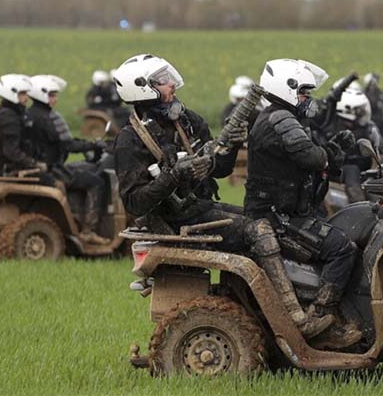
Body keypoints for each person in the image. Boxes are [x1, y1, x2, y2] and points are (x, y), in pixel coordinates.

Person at [111, 53, 334, 340]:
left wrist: (231, 145)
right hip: (169, 220)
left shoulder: (189, 121)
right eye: (162, 82)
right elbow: (134, 202)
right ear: (141, 88)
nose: (171, 85)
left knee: (263, 220)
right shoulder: (129, 140)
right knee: (259, 230)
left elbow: (220, 170)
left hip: (199, 209)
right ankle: (295, 318)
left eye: (167, 79)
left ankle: (268, 308)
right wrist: (175, 175)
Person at [244, 58, 362, 349]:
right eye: (304, 92)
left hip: (288, 212)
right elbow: (312, 158)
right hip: (275, 218)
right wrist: (332, 151)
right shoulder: (280, 118)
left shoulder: (283, 117)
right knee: (342, 248)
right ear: (287, 89)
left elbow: (312, 160)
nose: (308, 98)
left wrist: (333, 150)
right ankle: (321, 318)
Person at [25, 74, 111, 245]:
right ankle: (89, 231)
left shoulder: (27, 115)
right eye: (51, 95)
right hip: (52, 170)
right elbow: (68, 145)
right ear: (41, 93)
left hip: (36, 167)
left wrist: (87, 144)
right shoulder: (50, 118)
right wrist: (94, 146)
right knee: (96, 182)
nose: (55, 99)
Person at [0, 74, 42, 176]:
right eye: (22, 94)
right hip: (6, 172)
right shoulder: (9, 117)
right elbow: (11, 152)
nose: (27, 98)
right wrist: (34, 163)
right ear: (11, 93)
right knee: (56, 183)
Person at [328, 87, 381, 202]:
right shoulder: (335, 129)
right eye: (359, 110)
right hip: (340, 171)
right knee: (351, 169)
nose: (363, 112)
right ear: (347, 110)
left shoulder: (362, 127)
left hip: (360, 169)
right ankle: (359, 203)